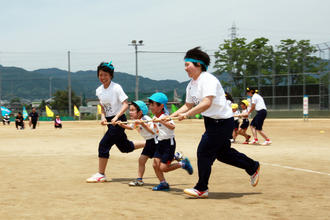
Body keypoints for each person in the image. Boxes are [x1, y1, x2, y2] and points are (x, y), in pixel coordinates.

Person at [171, 47, 260, 198]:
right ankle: (252, 166)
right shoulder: (191, 84)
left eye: (188, 64)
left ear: (198, 64)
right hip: (211, 122)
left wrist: (187, 115)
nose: (185, 68)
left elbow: (206, 103)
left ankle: (201, 188)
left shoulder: (208, 80)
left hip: (223, 122)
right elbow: (187, 104)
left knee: (204, 151)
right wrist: (169, 116)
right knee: (223, 154)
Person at [86, 61, 145, 183]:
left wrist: (117, 116)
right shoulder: (99, 90)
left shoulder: (116, 88)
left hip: (118, 120)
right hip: (109, 121)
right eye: (100, 75)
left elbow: (125, 104)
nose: (103, 78)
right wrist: (103, 117)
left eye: (105, 75)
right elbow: (102, 106)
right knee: (125, 147)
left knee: (103, 145)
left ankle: (101, 174)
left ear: (111, 75)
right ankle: (148, 143)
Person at [149, 92, 193, 191]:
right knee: (155, 164)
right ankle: (163, 183)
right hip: (160, 143)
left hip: (168, 144)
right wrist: (141, 124)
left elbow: (173, 126)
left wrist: (161, 121)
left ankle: (183, 163)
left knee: (163, 168)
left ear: (161, 106)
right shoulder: (154, 117)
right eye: (150, 105)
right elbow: (152, 131)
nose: (150, 107)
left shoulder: (166, 116)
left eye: (153, 105)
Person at [116, 100, 158, 186]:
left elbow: (153, 132)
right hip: (149, 142)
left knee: (161, 163)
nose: (130, 112)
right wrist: (122, 125)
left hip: (156, 142)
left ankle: (177, 158)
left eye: (132, 110)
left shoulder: (146, 119)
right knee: (141, 160)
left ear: (140, 112)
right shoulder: (136, 121)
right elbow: (131, 128)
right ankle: (139, 180)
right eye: (129, 110)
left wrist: (143, 124)